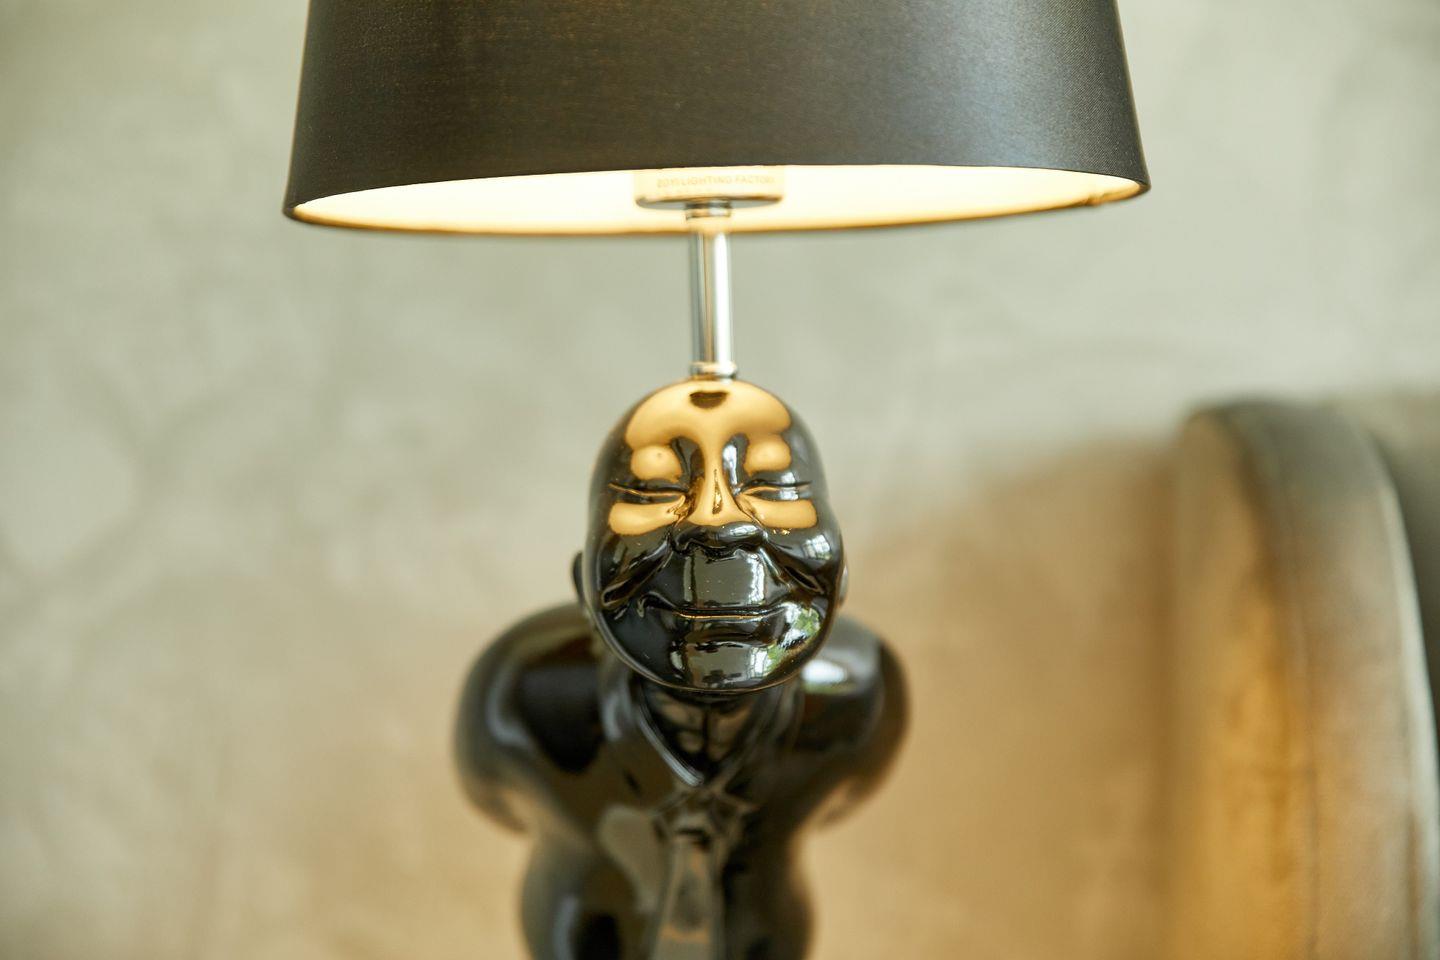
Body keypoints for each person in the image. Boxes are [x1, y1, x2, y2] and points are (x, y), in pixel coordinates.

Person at [456, 377, 906, 960]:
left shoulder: (857, 699)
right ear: (583, 583)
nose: (719, 524)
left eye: (774, 487)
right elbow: (493, 792)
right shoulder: (526, 700)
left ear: (840, 575)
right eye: (654, 492)